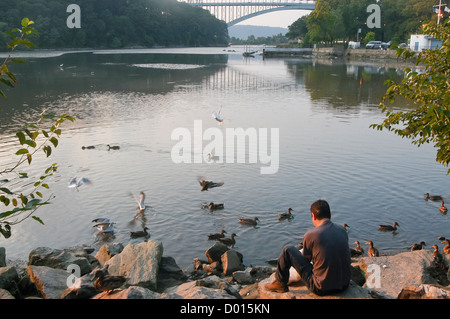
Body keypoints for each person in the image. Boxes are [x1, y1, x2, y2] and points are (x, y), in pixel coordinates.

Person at [265, 199, 351, 296]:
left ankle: (280, 283)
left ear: (313, 216)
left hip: (321, 288)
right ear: (329, 215)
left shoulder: (311, 235)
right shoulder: (342, 230)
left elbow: (305, 260)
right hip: (345, 284)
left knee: (288, 250)